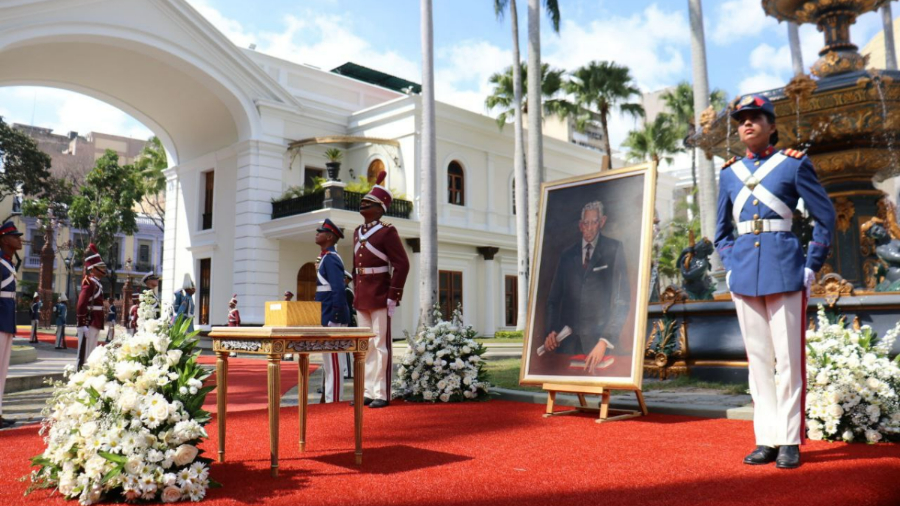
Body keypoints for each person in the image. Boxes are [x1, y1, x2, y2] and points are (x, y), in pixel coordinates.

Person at [715, 94, 835, 470]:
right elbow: (721, 231)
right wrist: (731, 265)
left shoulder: (793, 165)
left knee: (789, 362)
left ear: (771, 125)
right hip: (745, 274)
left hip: (785, 270)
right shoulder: (728, 174)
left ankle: (789, 440)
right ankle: (765, 438)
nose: (746, 124)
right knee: (758, 362)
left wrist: (811, 264)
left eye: (754, 118)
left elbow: (825, 216)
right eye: (741, 120)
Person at [542, 200, 630, 374]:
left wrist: (605, 341)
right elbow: (553, 299)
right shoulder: (567, 255)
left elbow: (622, 301)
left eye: (594, 222)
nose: (589, 227)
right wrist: (551, 331)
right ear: (580, 225)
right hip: (567, 345)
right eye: (586, 223)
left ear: (602, 222)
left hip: (599, 344)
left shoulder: (614, 249)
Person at [352, 171, 410, 408]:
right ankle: (366, 391)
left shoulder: (387, 231)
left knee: (380, 346)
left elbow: (402, 264)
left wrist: (393, 295)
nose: (363, 205)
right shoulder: (357, 231)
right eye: (363, 202)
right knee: (364, 346)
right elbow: (355, 266)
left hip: (380, 293)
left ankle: (382, 393)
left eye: (369, 203)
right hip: (363, 294)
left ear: (380, 208)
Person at [314, 219, 350, 403]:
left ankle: (334, 402)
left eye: (320, 231)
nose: (316, 233)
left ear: (329, 237)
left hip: (332, 315)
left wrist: (335, 315)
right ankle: (329, 399)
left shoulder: (331, 258)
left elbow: (337, 288)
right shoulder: (326, 257)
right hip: (326, 313)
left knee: (335, 364)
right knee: (329, 363)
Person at [0, 222, 23, 428]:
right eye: (15, 236)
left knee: (2, 370)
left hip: (6, 320)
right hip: (0, 319)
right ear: (5, 240)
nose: (19, 239)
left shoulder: (8, 262)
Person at [76, 244, 107, 371]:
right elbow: (81, 304)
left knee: (91, 352)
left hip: (95, 320)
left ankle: (87, 374)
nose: (104, 270)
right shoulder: (89, 283)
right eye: (101, 267)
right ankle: (79, 374)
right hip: (89, 320)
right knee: (84, 352)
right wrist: (82, 323)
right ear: (93, 269)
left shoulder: (96, 283)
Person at [343, 270, 356, 378]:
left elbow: (348, 309)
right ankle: (345, 370)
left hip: (348, 322)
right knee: (344, 349)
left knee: (347, 350)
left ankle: (348, 372)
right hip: (345, 322)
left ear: (347, 279)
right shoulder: (344, 290)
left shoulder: (347, 291)